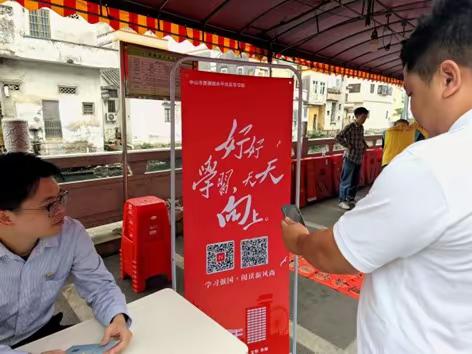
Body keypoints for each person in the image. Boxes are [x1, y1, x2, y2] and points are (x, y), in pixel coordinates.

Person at [281, 0, 472, 352]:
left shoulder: (433, 166)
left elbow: (335, 253)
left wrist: (298, 239)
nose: (412, 108)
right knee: (347, 183)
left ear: (448, 78)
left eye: (411, 92)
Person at [0, 153, 132, 354]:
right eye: (49, 205)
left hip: (45, 333)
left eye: (61, 197)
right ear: (6, 217)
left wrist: (117, 317)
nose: (61, 210)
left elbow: (98, 285)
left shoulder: (70, 233)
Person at [335, 107, 369, 210]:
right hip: (350, 157)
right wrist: (348, 145)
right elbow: (338, 137)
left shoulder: (361, 127)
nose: (364, 119)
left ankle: (350, 198)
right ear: (357, 116)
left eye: (366, 117)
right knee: (346, 180)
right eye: (363, 117)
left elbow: (361, 138)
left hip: (359, 157)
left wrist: (364, 145)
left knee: (355, 180)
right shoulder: (350, 126)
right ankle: (342, 200)